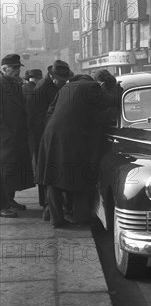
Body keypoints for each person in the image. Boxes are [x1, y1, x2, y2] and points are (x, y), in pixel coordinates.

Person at [36, 74, 122, 228]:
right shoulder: (93, 87)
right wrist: (118, 89)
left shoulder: (66, 87)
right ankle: (81, 218)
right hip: (70, 136)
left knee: (52, 177)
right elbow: (112, 101)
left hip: (50, 133)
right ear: (101, 84)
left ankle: (57, 220)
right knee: (78, 174)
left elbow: (50, 110)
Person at [30, 60, 71, 218]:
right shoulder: (43, 88)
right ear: (54, 78)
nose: (64, 82)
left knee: (47, 169)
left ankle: (49, 205)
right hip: (42, 134)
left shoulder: (49, 84)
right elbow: (38, 116)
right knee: (46, 170)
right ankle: (47, 206)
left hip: (47, 132)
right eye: (62, 80)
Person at [0, 54, 34, 217]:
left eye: (18, 68)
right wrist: (6, 134)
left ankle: (9, 200)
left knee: (12, 170)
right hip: (6, 136)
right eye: (13, 68)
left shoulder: (13, 84)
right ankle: (2, 206)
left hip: (16, 135)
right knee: (4, 172)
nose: (17, 71)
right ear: (3, 69)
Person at [22, 69, 43, 160]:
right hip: (37, 124)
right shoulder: (39, 90)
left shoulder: (22, 88)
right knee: (38, 149)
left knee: (28, 150)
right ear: (37, 79)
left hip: (24, 123)